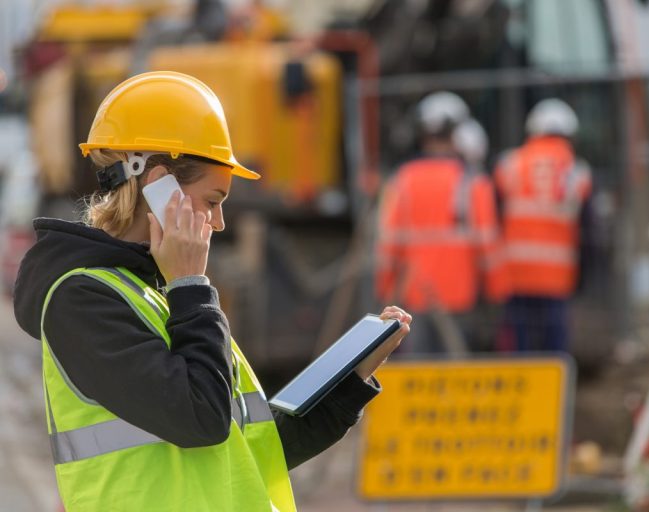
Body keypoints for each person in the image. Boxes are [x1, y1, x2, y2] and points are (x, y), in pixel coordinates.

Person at [13, 71, 411, 512]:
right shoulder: (82, 300)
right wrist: (190, 284)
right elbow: (203, 419)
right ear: (158, 185)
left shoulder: (160, 295)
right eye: (212, 200)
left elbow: (252, 448)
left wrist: (350, 384)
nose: (219, 222)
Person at [375, 92, 498, 353]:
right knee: (456, 374)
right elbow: (488, 247)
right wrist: (497, 295)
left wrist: (386, 290)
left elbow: (388, 246)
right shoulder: (474, 183)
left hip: (415, 297)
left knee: (418, 375)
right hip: (460, 297)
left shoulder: (403, 180)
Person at [493, 98, 592, 352]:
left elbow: (493, 216)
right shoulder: (577, 172)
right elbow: (589, 230)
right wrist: (584, 276)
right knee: (553, 350)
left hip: (515, 273)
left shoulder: (509, 165)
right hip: (557, 277)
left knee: (520, 347)